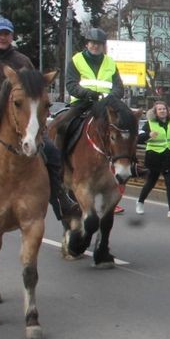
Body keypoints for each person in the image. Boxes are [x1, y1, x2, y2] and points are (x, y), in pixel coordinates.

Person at [0, 16, 74, 219]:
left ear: (12, 36)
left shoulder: (22, 61)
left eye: (6, 34)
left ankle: (61, 199)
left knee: (52, 152)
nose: (2, 38)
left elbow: (35, 91)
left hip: (17, 121)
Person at [59, 27, 127, 213]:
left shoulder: (110, 62)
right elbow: (71, 84)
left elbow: (118, 87)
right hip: (82, 104)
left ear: (103, 46)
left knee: (124, 128)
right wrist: (88, 93)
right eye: (92, 43)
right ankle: (58, 165)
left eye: (98, 44)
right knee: (62, 126)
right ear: (87, 44)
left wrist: (109, 98)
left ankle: (130, 164)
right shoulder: (77, 60)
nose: (95, 46)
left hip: (105, 106)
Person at [136, 101, 170, 219]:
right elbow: (138, 138)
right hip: (154, 158)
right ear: (155, 112)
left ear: (167, 111)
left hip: (169, 157)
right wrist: (148, 135)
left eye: (164, 109)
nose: (162, 111)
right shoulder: (149, 124)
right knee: (151, 182)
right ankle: (140, 201)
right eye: (159, 109)